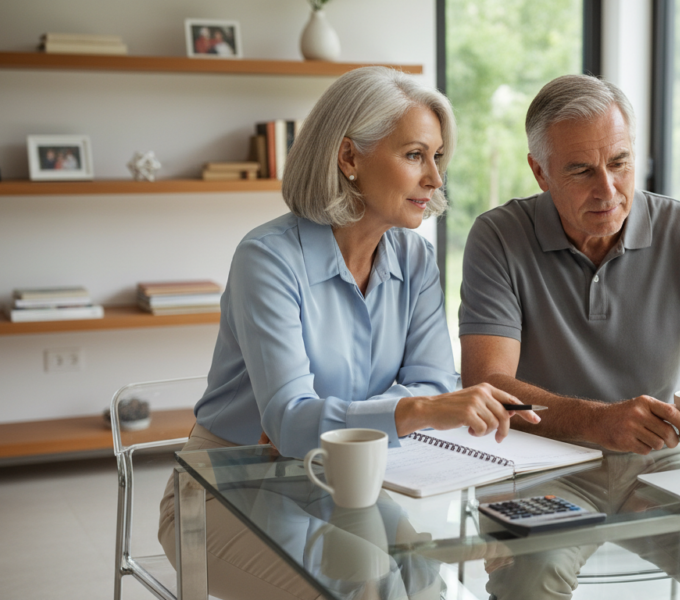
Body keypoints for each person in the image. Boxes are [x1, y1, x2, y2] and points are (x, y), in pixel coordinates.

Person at [158, 66, 539, 600]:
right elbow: (291, 422)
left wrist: (399, 408)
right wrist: (416, 409)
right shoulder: (267, 259)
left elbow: (432, 384)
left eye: (437, 158)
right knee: (362, 590)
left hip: (346, 487)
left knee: (428, 590)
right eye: (414, 155)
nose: (434, 179)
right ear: (349, 158)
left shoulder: (417, 259)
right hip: (223, 492)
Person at [459, 74, 680, 598]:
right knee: (533, 578)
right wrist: (599, 421)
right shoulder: (498, 237)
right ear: (540, 171)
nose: (607, 189)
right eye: (581, 170)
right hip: (540, 463)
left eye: (620, 162)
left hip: (663, 462)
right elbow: (488, 384)